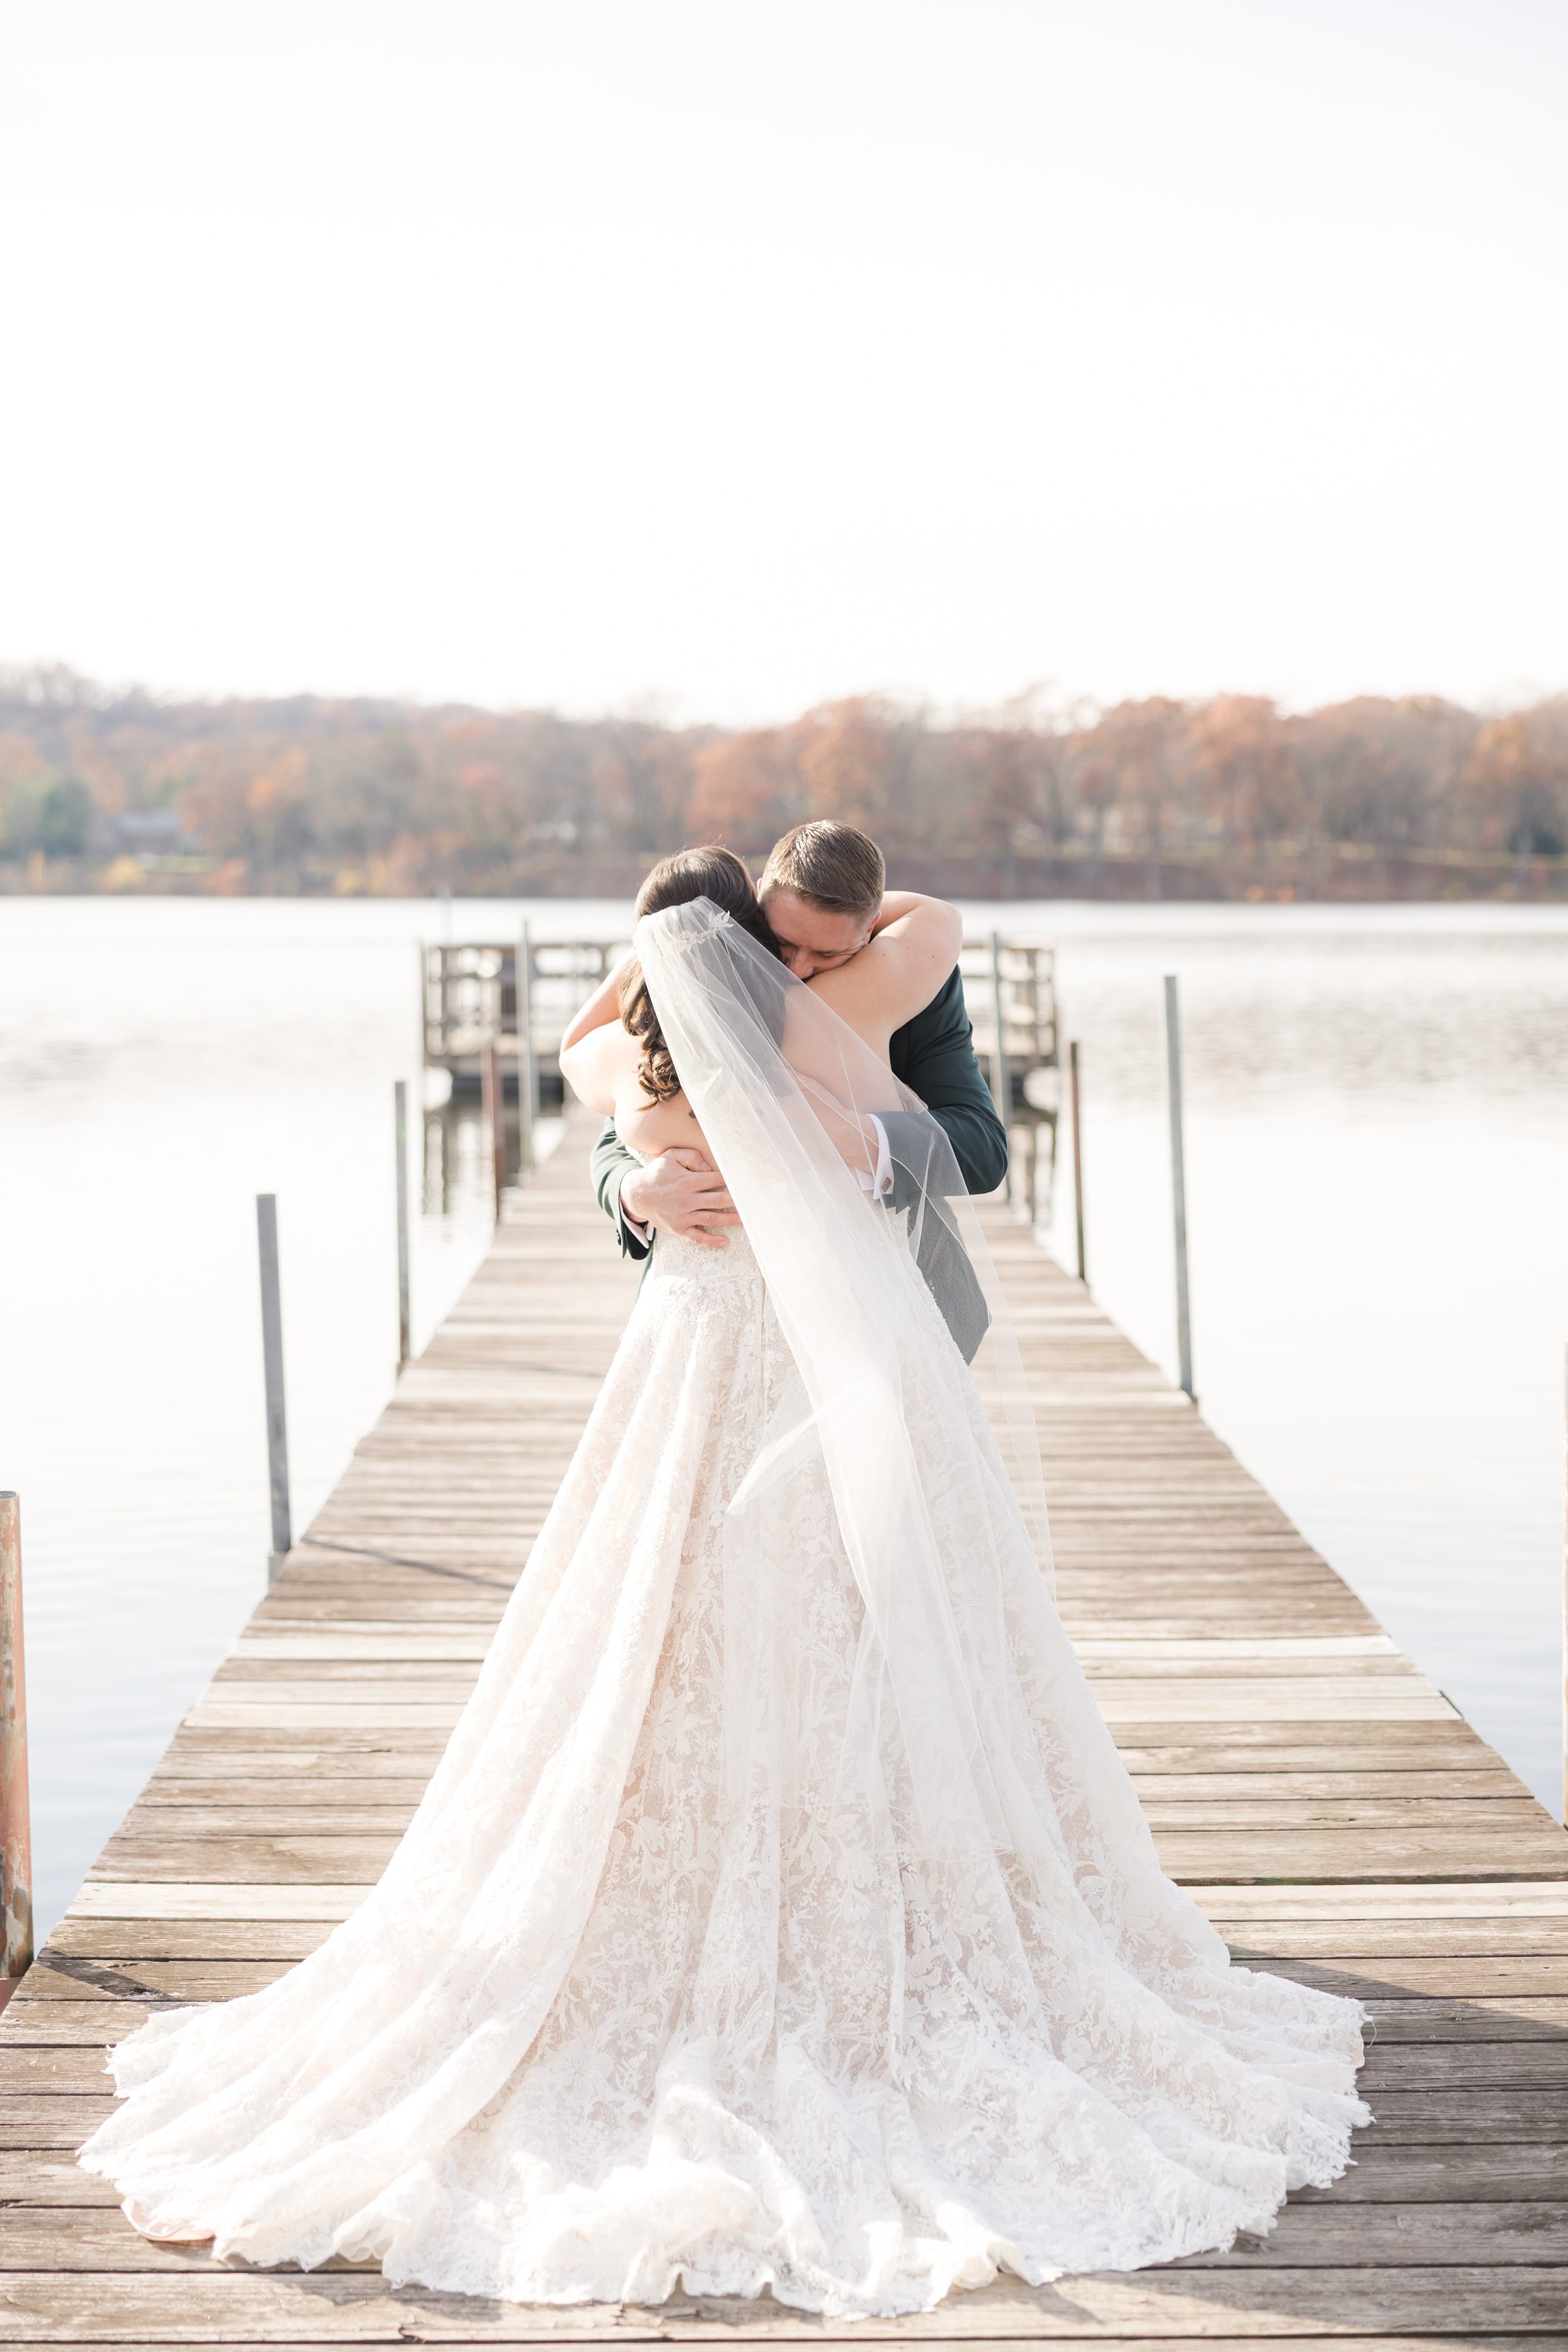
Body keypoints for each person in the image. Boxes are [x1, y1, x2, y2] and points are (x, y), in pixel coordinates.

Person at [80, 847, 1367, 2322]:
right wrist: (648, 1176)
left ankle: (908, 1866)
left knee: (882, 1626)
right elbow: (631, 1104)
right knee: (692, 1625)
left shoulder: (795, 991)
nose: (808, 980)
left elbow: (973, 1146)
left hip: (875, 1343)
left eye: (827, 956)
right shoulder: (800, 978)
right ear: (758, 924)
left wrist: (819, 1142)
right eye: (790, 954)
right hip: (728, 1336)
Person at [589, 819, 1006, 1266]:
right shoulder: (708, 967)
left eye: (829, 954)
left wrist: (854, 1136)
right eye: (782, 944)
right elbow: (625, 1116)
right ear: (758, 898)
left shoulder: (920, 982)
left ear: (871, 930)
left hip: (882, 1277)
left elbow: (982, 1149)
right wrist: (632, 1193)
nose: (798, 969)